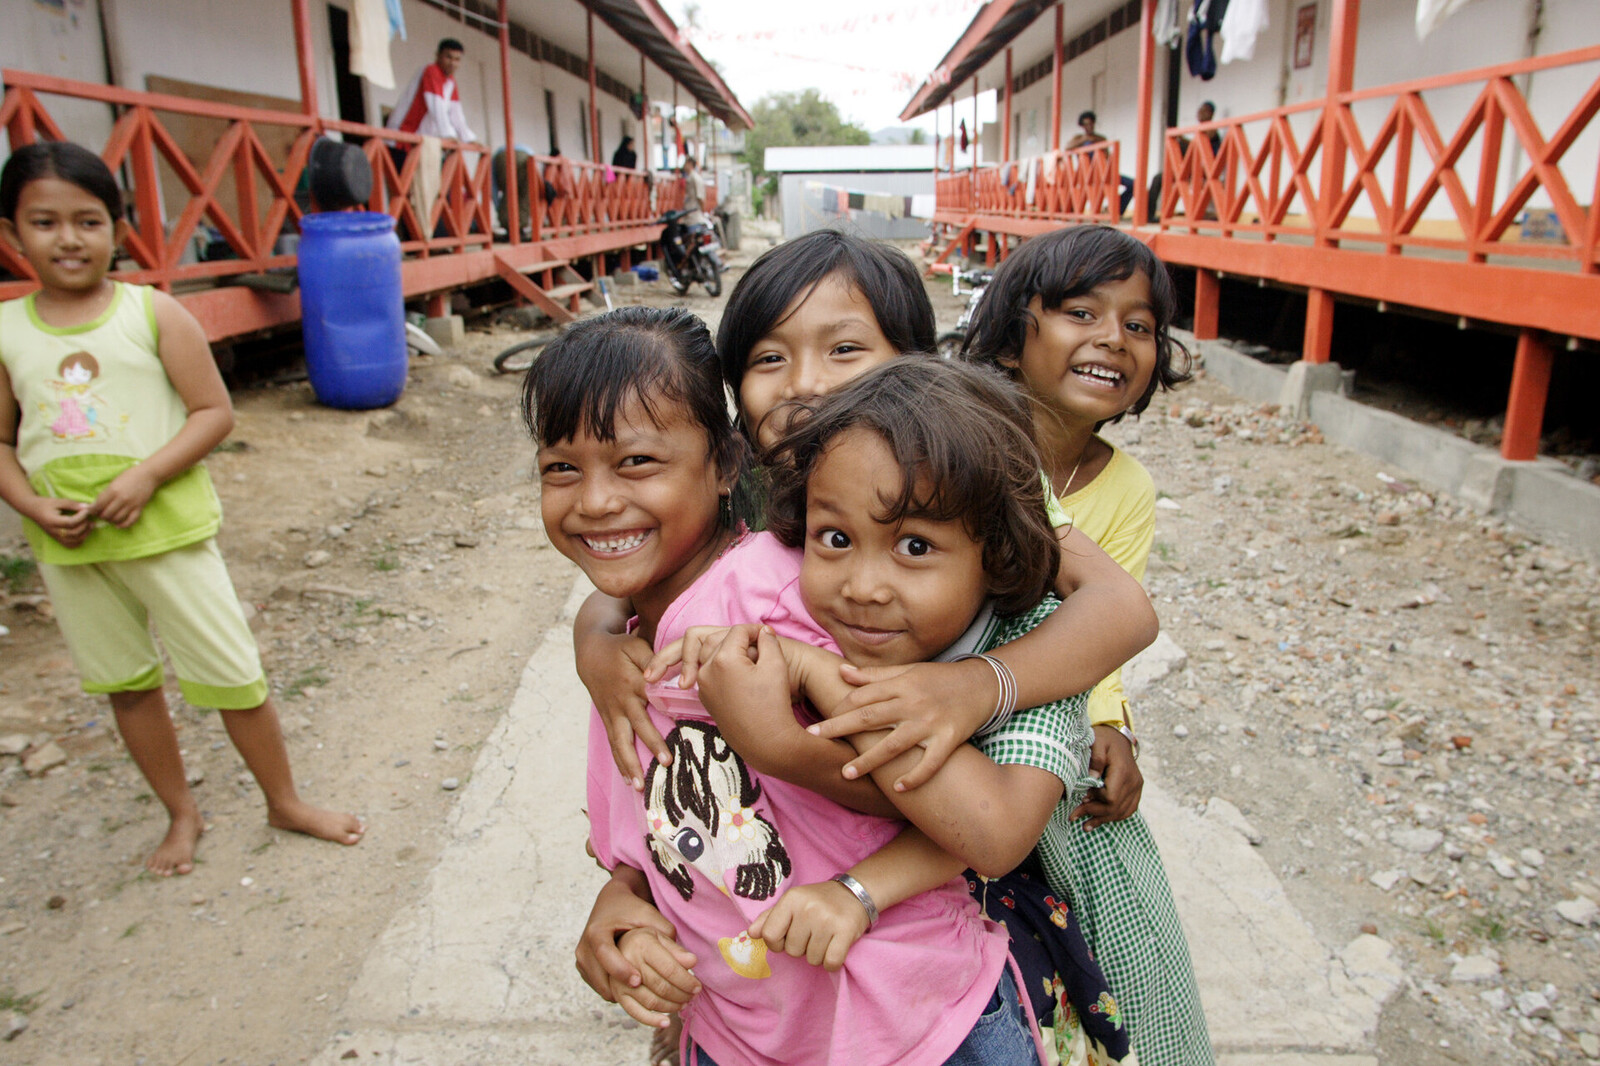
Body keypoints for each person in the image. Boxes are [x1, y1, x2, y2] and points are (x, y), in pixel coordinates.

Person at [571, 230, 1156, 1064]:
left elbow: (1121, 610)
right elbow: (634, 587)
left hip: (934, 953)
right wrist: (595, 645)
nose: (806, 384)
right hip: (760, 989)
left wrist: (978, 689)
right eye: (769, 357)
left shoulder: (967, 480)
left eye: (845, 349)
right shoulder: (749, 502)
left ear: (919, 369)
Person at [526, 307, 1034, 1066]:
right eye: (561, 468)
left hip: (914, 1023)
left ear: (727, 463)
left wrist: (792, 758)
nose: (595, 501)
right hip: (741, 1031)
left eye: (635, 462)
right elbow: (649, 830)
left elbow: (965, 815)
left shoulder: (795, 598)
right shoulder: (626, 657)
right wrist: (620, 908)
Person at [0, 142, 365, 877]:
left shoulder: (152, 313)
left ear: (119, 229)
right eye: (45, 222)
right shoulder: (8, 333)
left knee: (235, 676)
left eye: (89, 220)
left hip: (168, 534)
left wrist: (144, 478)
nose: (69, 238)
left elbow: (211, 412)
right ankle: (181, 813)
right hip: (73, 550)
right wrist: (32, 504)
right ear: (12, 234)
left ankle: (283, 799)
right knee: (127, 687)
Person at [959, 225, 1213, 1066]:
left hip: (1040, 697)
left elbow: (1101, 635)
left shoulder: (1126, 486)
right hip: (953, 691)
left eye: (1139, 326)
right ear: (1011, 330)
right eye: (1079, 311)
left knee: (1110, 827)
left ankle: (1153, 1035)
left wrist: (1116, 722)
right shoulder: (958, 431)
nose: (1113, 338)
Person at [386, 37, 477, 144]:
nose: (452, 63)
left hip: (418, 140)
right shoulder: (431, 71)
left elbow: (456, 113)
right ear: (438, 55)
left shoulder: (451, 82)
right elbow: (436, 105)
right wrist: (447, 134)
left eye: (457, 59)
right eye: (448, 57)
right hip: (402, 134)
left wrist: (468, 137)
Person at [1064, 112, 1133, 218]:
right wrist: (1085, 139)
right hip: (1086, 176)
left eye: (1091, 124)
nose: (1089, 126)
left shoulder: (1100, 138)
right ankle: (1077, 209)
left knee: (1133, 184)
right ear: (1082, 126)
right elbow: (1067, 147)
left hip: (1103, 174)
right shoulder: (1078, 138)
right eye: (1086, 124)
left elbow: (1106, 156)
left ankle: (1118, 209)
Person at [680, 156, 708, 227]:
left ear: (690, 164)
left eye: (685, 163)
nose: (684, 166)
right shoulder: (690, 177)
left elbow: (700, 198)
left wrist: (703, 212)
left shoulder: (695, 178)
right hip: (689, 214)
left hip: (694, 216)